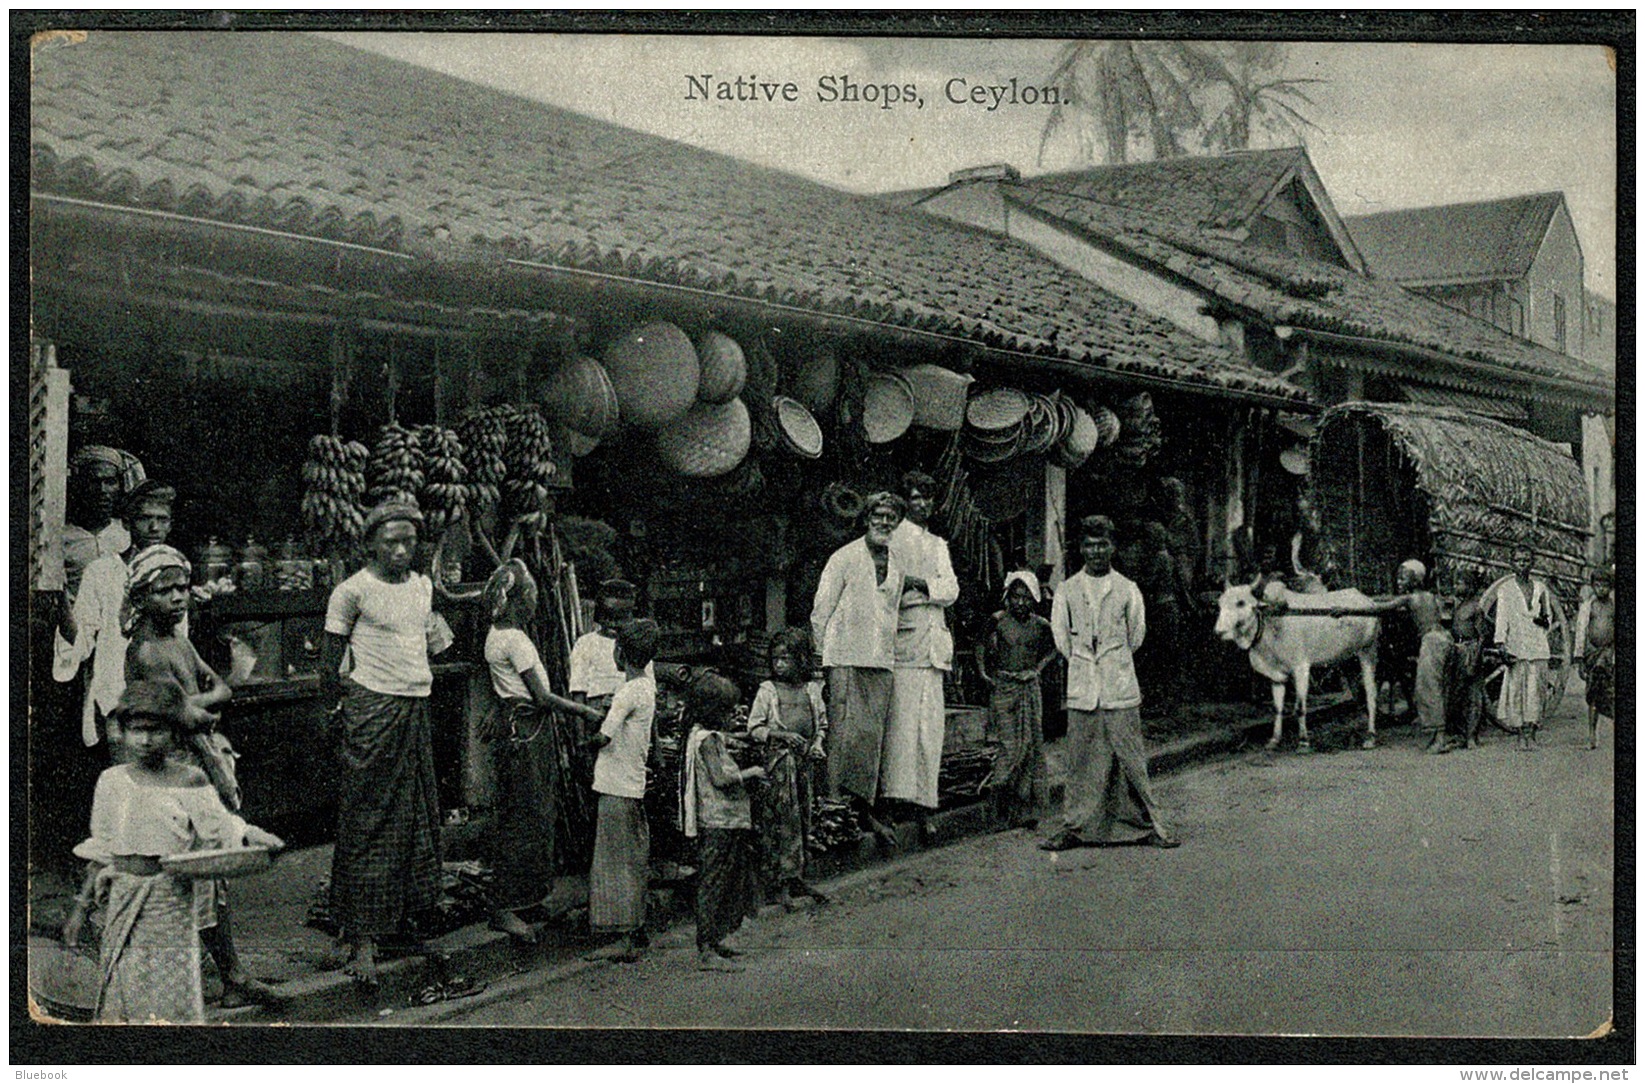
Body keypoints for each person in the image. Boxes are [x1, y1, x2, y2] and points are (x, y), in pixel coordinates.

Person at [61, 679, 285, 1023]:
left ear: (175, 733)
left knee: (168, 993)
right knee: (123, 991)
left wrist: (256, 835)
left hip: (170, 901)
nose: (146, 740)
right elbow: (101, 849)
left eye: (157, 730)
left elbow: (222, 828)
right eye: (137, 730)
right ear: (122, 731)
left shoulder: (190, 780)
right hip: (122, 900)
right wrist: (80, 910)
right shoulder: (111, 781)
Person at [319, 500, 449, 987]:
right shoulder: (352, 591)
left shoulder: (421, 586)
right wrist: (336, 713)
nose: (400, 550)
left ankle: (398, 925)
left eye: (409, 542)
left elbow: (431, 640)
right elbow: (330, 664)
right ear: (370, 543)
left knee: (415, 816)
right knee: (368, 819)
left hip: (414, 708)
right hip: (371, 713)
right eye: (390, 541)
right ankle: (361, 938)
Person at [479, 559, 604, 942]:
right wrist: (584, 710)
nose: (535, 602)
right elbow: (542, 697)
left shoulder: (497, 634)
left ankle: (526, 897)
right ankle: (504, 907)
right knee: (525, 816)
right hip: (527, 732)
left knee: (529, 813)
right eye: (531, 595)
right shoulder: (514, 640)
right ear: (517, 600)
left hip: (520, 728)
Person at [1043, 516, 1178, 851]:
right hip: (1083, 687)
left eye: (1103, 544)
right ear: (1080, 548)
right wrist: (1086, 660)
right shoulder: (1067, 589)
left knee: (1130, 757)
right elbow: (1062, 638)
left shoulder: (1128, 590)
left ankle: (1152, 826)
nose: (1096, 551)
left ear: (1113, 547)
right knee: (1081, 761)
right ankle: (1075, 827)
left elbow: (1136, 636)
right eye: (1089, 544)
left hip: (1119, 684)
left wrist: (1111, 660)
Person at [55, 480, 180, 754]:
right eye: (145, 519)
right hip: (115, 699)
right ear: (126, 524)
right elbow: (80, 643)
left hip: (163, 701)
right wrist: (59, 599)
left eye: (162, 520)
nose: (154, 528)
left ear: (171, 525)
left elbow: (179, 641)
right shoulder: (101, 571)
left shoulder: (175, 569)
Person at [811, 491, 906, 851]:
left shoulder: (896, 563)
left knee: (870, 740)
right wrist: (821, 662)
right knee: (843, 736)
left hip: (880, 660)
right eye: (877, 516)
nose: (884, 522)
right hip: (845, 657)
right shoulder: (844, 558)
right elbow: (821, 611)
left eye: (890, 517)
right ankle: (834, 805)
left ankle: (859, 809)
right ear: (866, 520)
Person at [882, 472, 959, 828]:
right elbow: (892, 589)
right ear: (905, 502)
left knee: (930, 729)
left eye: (928, 499)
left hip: (933, 645)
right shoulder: (893, 540)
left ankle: (926, 802)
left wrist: (921, 584)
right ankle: (898, 802)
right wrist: (926, 588)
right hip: (906, 641)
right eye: (915, 498)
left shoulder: (938, 544)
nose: (923, 505)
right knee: (902, 727)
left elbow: (951, 589)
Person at [583, 618, 660, 963]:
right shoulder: (646, 687)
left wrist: (584, 741)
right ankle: (637, 930)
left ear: (618, 652)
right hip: (632, 783)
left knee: (614, 864)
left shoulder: (626, 692)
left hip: (615, 785)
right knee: (631, 858)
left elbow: (604, 736)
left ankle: (623, 936)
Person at [682, 671, 766, 972]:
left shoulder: (701, 735)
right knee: (714, 883)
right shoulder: (708, 740)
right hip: (719, 822)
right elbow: (720, 777)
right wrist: (750, 773)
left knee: (722, 881)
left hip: (723, 822)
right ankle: (706, 948)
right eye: (729, 711)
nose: (734, 716)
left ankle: (715, 940)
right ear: (714, 713)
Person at [746, 629, 830, 911]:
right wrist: (781, 736)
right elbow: (754, 728)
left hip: (803, 766)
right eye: (775, 659)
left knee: (804, 820)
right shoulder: (767, 691)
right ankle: (780, 884)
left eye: (786, 659)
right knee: (783, 824)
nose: (779, 665)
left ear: (801, 660)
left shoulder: (811, 690)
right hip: (779, 768)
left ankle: (798, 877)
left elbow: (822, 725)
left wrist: (817, 744)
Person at [1347, 560, 1455, 754]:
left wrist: (1347, 611)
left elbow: (1379, 608)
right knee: (1436, 687)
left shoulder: (1410, 599)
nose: (1399, 581)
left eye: (1403, 578)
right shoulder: (1429, 596)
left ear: (1415, 580)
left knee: (1427, 689)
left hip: (1431, 642)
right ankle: (1438, 737)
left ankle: (1440, 740)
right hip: (1443, 638)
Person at [979, 571, 1058, 830]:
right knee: (1009, 747)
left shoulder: (1041, 625)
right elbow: (979, 643)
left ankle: (1024, 811)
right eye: (1016, 597)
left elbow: (1057, 647)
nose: (1020, 603)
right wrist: (983, 672)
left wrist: (1037, 669)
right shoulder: (997, 621)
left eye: (1026, 598)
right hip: (1004, 688)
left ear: (1034, 599)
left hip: (1029, 689)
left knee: (1032, 748)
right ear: (1007, 597)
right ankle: (997, 810)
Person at [1493, 543, 1557, 751]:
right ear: (1512, 564)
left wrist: (1543, 620)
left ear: (1532, 563)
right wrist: (1501, 643)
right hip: (1517, 645)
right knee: (1517, 691)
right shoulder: (1506, 590)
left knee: (1536, 691)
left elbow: (1548, 616)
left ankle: (1532, 734)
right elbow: (1502, 618)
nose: (1522, 565)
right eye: (1518, 561)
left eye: (1526, 561)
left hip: (1538, 644)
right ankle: (1521, 735)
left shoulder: (1540, 588)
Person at [61, 445, 143, 600]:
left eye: (110, 482)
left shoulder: (128, 533)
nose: (102, 490)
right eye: (94, 481)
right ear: (79, 485)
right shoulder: (63, 537)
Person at [1448, 569, 1494, 750]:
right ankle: (1461, 734)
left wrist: (1475, 659)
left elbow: (1482, 635)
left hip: (1470, 650)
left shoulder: (1475, 608)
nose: (1455, 587)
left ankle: (1472, 737)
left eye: (1459, 583)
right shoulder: (1458, 607)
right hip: (1458, 650)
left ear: (1470, 587)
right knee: (1456, 695)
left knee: (1473, 696)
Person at [1575, 566, 1615, 751]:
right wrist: (1579, 657)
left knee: (1611, 692)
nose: (1601, 589)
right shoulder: (1588, 607)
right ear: (1592, 586)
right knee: (1593, 695)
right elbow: (1581, 632)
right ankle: (1592, 733)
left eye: (1605, 585)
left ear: (1610, 587)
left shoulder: (1614, 605)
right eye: (1597, 585)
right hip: (1592, 654)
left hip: (1609, 653)